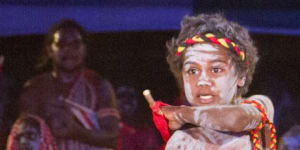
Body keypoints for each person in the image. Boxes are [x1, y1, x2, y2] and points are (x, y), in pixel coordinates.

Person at [157, 13, 276, 149]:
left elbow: (236, 119)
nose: (202, 81)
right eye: (193, 71)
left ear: (241, 76)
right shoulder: (182, 142)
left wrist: (182, 114)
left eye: (216, 69)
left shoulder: (259, 106)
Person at [20, 19, 119, 150]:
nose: (68, 50)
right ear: (50, 49)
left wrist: (76, 131)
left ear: (84, 49)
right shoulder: (35, 87)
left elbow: (112, 137)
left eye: (75, 44)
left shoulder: (99, 85)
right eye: (61, 44)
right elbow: (25, 139)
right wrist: (48, 125)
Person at [116, 86, 161, 150]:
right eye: (121, 96)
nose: (127, 99)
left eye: (131, 96)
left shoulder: (146, 131)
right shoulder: (107, 128)